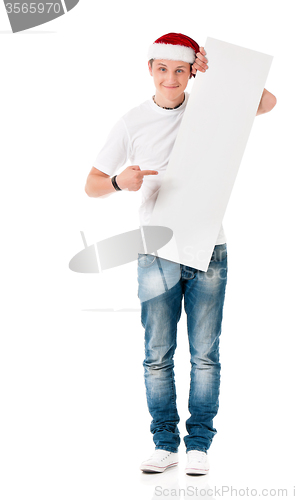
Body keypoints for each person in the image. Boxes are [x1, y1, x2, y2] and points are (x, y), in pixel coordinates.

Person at [85, 32, 277, 475]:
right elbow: (92, 183)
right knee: (158, 351)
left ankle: (200, 445)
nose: (170, 78)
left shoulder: (210, 106)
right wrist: (119, 183)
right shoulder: (132, 122)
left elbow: (265, 102)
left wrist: (224, 74)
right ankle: (165, 442)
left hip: (209, 245)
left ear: (192, 71)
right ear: (150, 70)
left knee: (205, 352)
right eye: (162, 68)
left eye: (180, 69)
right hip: (156, 250)